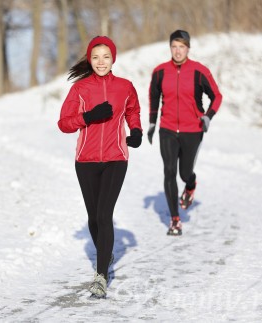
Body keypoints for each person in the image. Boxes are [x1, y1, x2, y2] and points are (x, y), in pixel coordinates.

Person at [58, 36, 142, 298]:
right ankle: (106, 251)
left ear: (113, 58)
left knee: (105, 215)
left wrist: (136, 131)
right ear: (89, 60)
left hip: (117, 157)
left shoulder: (125, 87)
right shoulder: (80, 89)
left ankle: (101, 275)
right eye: (95, 57)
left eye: (106, 56)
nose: (101, 61)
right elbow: (64, 123)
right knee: (94, 217)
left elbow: (133, 111)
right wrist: (89, 117)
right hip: (86, 160)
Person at [148, 30, 222, 236]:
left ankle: (190, 184)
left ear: (188, 48)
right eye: (174, 46)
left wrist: (208, 117)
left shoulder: (199, 71)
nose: (177, 51)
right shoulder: (160, 72)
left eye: (181, 46)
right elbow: (154, 98)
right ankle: (175, 220)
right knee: (169, 171)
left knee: (184, 173)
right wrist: (153, 123)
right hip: (168, 129)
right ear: (170, 48)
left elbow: (216, 96)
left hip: (192, 130)